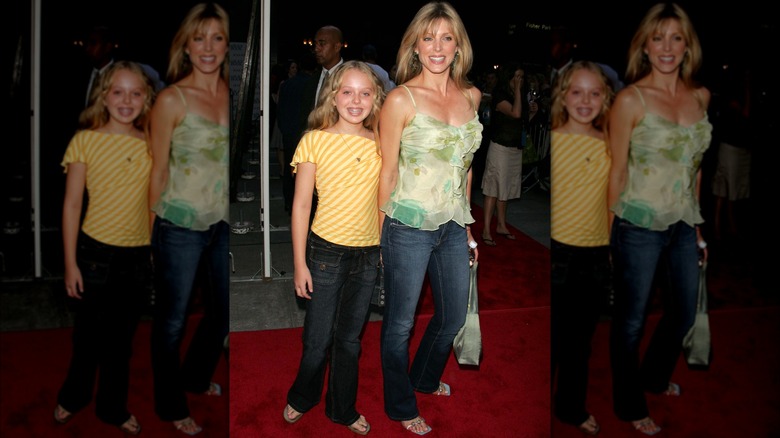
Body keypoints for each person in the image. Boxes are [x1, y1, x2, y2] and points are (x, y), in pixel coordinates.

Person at [607, 3, 712, 435]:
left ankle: (652, 375)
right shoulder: (630, 99)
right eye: (658, 38)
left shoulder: (701, 96)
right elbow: (616, 171)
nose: (667, 47)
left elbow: (696, 166)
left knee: (684, 312)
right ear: (645, 46)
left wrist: (699, 225)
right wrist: (610, 236)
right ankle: (629, 404)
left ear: (687, 46)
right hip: (638, 226)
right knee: (630, 321)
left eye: (676, 38)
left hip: (684, 223)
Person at [377, 2, 482, 435]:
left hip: (454, 225)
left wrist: (471, 229)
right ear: (415, 47)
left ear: (458, 46)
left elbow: (467, 166)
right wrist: (381, 237)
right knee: (400, 323)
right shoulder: (400, 99)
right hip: (407, 227)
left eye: (446, 37)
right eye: (428, 38)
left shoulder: (472, 96)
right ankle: (401, 405)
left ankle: (423, 376)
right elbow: (387, 172)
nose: (437, 47)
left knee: (453, 317)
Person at [282, 60, 386, 436]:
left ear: (376, 100)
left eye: (365, 93)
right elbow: (300, 206)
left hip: (368, 255)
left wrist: (382, 253)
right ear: (333, 96)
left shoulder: (383, 143)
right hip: (325, 253)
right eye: (347, 91)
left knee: (349, 341)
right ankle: (302, 396)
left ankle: (342, 409)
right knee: (317, 338)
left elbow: (384, 200)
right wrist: (299, 263)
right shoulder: (315, 139)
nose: (355, 100)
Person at [54, 60, 157, 436]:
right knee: (86, 338)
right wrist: (69, 263)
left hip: (136, 258)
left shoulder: (151, 143)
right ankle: (74, 395)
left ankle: (112, 407)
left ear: (146, 99)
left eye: (135, 92)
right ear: (103, 96)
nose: (126, 100)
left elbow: (151, 201)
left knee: (121, 343)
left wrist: (150, 252)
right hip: (93, 255)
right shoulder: (85, 139)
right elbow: (71, 205)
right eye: (117, 91)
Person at [147, 3, 230, 435]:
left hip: (221, 225)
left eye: (217, 37)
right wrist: (151, 242)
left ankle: (195, 376)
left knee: (221, 315)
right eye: (199, 38)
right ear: (186, 43)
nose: (208, 47)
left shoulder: (231, 92)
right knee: (173, 320)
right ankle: (170, 403)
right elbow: (157, 171)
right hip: (178, 225)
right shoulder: (171, 98)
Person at [550, 60, 615, 436]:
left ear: (606, 99)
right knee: (555, 340)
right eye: (577, 91)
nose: (585, 100)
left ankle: (571, 407)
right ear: (563, 95)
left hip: (594, 257)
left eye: (595, 93)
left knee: (580, 342)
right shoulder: (555, 137)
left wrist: (611, 251)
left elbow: (612, 200)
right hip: (557, 254)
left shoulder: (611, 143)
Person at [480, 62, 526, 246]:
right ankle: (486, 229)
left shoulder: (520, 95)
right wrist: (517, 92)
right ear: (509, 77)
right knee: (493, 187)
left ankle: (501, 225)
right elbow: (515, 113)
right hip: (499, 146)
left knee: (506, 187)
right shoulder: (500, 95)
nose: (519, 80)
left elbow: (522, 119)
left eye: (522, 77)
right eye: (516, 76)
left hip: (515, 148)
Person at [710, 64, 751, 242]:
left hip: (739, 147)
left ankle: (722, 227)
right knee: (726, 188)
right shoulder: (729, 96)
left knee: (727, 189)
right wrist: (748, 89)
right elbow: (745, 113)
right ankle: (725, 227)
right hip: (730, 147)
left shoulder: (737, 94)